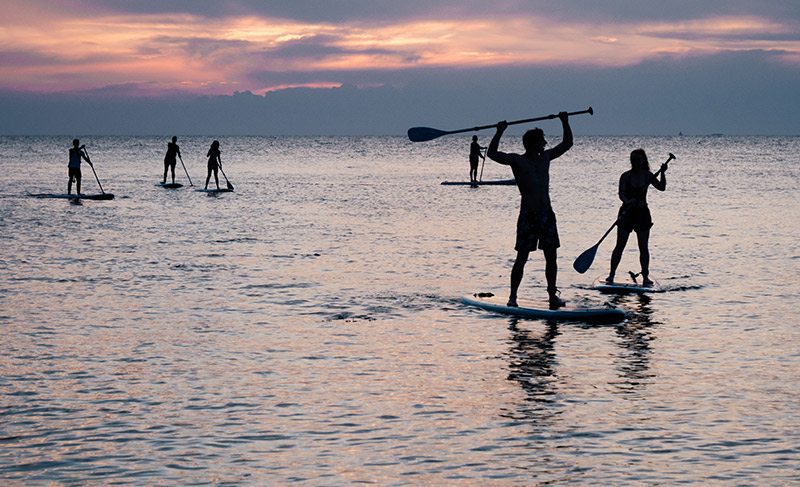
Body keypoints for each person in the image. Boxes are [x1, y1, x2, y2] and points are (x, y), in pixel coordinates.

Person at [487, 112, 573, 308]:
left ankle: (552, 296)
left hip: (547, 215)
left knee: (551, 257)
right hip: (528, 215)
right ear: (534, 142)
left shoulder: (546, 158)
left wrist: (565, 122)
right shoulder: (518, 161)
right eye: (542, 140)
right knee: (522, 257)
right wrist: (500, 131)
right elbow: (492, 154)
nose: (544, 143)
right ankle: (512, 298)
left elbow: (567, 143)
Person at [605, 149, 667, 286]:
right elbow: (621, 193)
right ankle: (611, 275)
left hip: (642, 213)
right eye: (633, 160)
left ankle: (645, 276)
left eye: (638, 160)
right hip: (627, 213)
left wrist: (663, 173)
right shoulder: (625, 176)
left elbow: (662, 187)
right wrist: (628, 201)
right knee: (620, 245)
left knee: (643, 246)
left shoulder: (648, 175)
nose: (636, 163)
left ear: (643, 161)